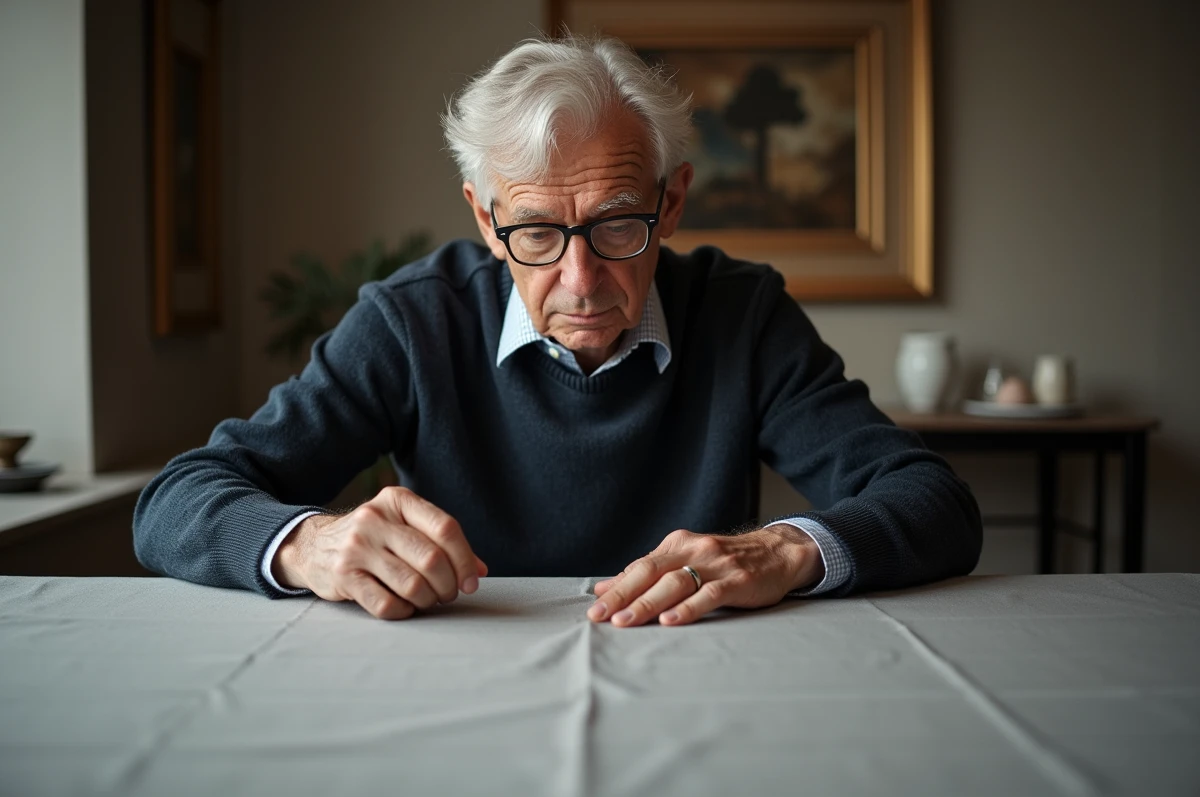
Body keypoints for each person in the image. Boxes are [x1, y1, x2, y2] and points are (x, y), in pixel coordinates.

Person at [133, 34, 982, 627]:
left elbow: (934, 502)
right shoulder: (410, 321)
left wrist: (786, 550)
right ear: (484, 216)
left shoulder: (742, 315)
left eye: (618, 225)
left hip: (697, 679)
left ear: (671, 201)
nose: (580, 282)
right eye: (535, 233)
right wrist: (310, 544)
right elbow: (175, 501)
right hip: (451, 693)